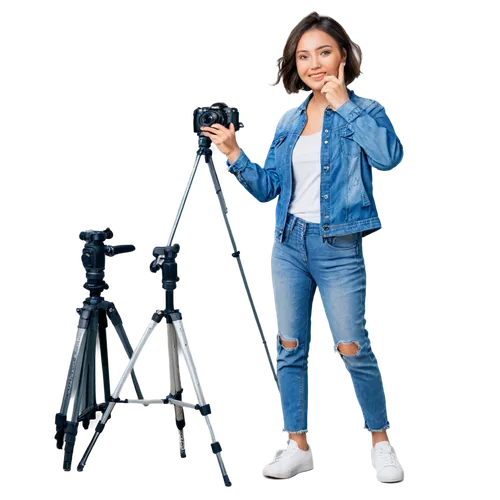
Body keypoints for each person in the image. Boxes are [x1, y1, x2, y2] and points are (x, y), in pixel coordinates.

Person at [200, 10, 407, 485]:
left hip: (339, 246)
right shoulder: (289, 120)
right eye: (304, 55)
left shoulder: (366, 108)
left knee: (354, 348)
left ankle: (381, 445)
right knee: (289, 346)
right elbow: (270, 190)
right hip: (291, 244)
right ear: (295, 62)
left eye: (324, 52)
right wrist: (234, 153)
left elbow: (390, 159)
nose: (314, 63)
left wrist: (344, 107)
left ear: (343, 56)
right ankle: (297, 445)